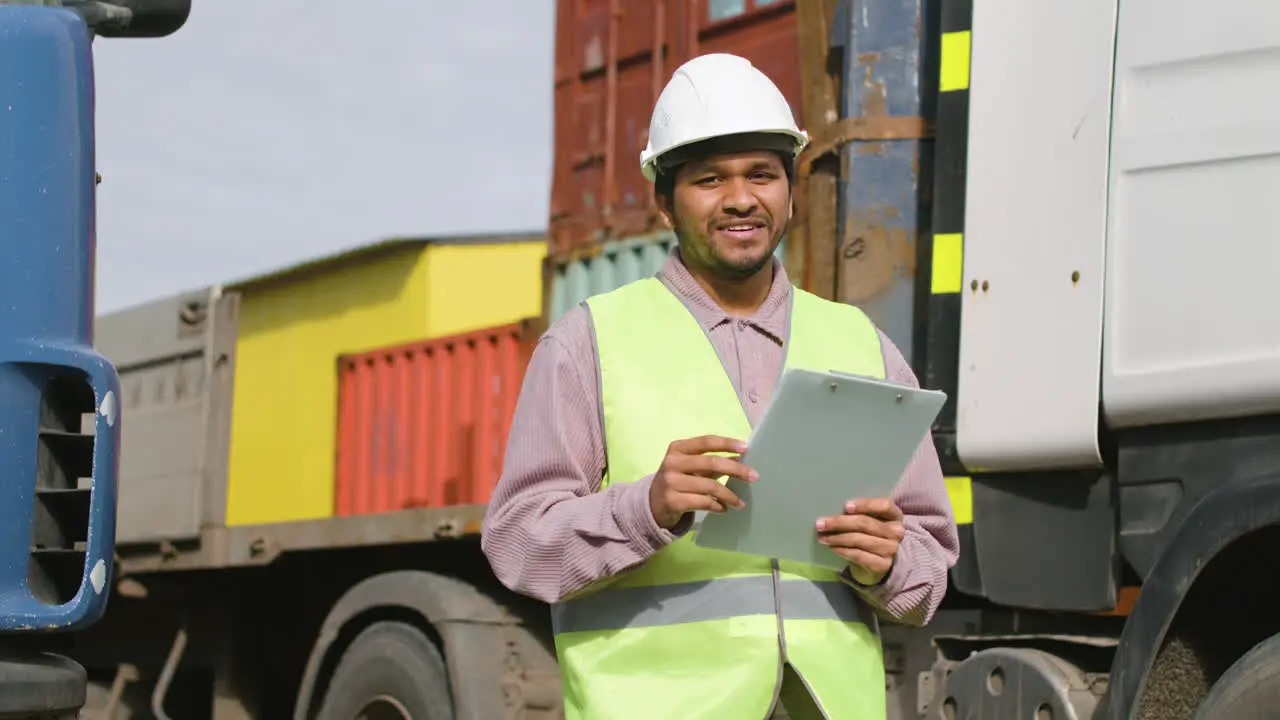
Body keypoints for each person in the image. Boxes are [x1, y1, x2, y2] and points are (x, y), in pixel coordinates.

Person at [481, 52, 959, 720]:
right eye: (709, 178)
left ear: (791, 192)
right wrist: (644, 507)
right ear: (664, 202)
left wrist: (885, 564)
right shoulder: (590, 342)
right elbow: (517, 545)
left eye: (762, 174)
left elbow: (928, 571)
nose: (740, 198)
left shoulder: (860, 345)